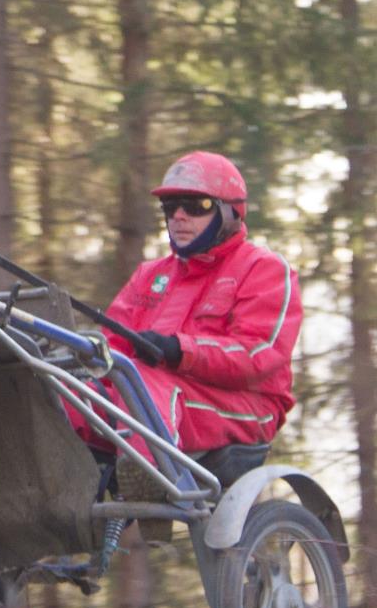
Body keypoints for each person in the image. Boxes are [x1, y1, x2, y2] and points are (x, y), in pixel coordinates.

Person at [78, 151, 303, 477]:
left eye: (197, 206)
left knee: (144, 381)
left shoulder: (263, 269)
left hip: (245, 406)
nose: (179, 217)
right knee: (62, 391)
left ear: (230, 212)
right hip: (152, 397)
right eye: (171, 208)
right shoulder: (149, 275)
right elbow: (114, 348)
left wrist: (178, 350)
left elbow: (258, 355)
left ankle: (148, 479)